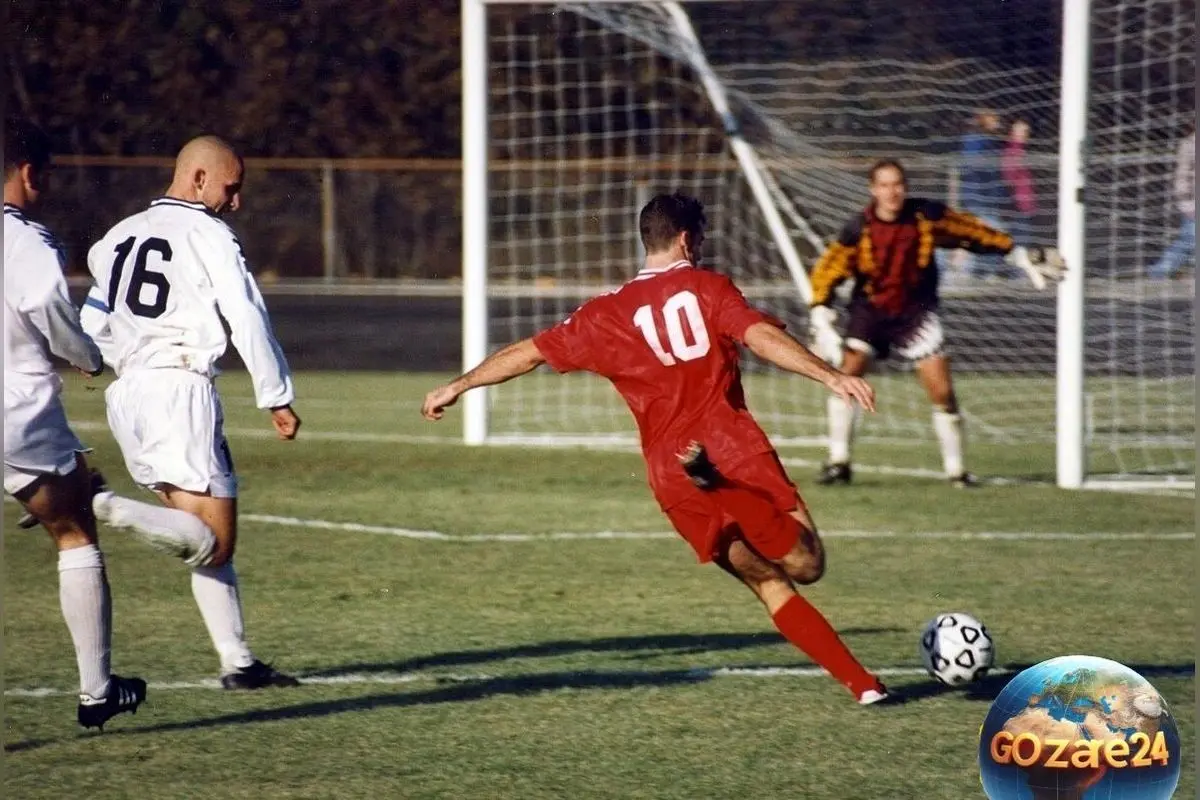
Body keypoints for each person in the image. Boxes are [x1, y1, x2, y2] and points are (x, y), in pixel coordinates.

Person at [423, 193, 890, 705]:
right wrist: (829, 374)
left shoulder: (604, 312)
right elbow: (758, 335)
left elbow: (527, 353)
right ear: (687, 239)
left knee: (769, 583)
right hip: (732, 449)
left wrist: (459, 385)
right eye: (701, 238)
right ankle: (726, 490)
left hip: (674, 474)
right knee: (807, 563)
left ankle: (864, 687)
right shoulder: (708, 287)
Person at [80, 135, 302, 690]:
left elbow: (92, 320)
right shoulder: (208, 233)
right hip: (179, 389)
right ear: (199, 178)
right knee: (214, 542)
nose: (236, 201)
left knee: (202, 540)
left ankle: (238, 662)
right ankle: (101, 503)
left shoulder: (117, 236)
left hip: (129, 395)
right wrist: (275, 393)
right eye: (231, 187)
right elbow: (246, 314)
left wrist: (94, 359)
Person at [4, 116, 154, 730]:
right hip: (16, 409)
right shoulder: (24, 239)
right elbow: (45, 302)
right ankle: (97, 693)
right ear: (30, 172)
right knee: (73, 530)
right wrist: (86, 355)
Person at [807, 159, 1065, 487]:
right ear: (873, 190)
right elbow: (830, 267)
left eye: (897, 184)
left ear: (905, 187)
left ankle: (957, 471)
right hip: (870, 312)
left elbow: (970, 231)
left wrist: (1016, 253)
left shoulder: (926, 217)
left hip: (915, 313)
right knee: (848, 374)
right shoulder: (858, 228)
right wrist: (820, 308)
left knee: (942, 391)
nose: (892, 192)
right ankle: (838, 461)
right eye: (884, 185)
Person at [958, 110, 1012, 279]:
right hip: (979, 198)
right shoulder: (975, 140)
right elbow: (973, 165)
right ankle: (976, 273)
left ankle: (980, 273)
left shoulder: (990, 142)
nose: (998, 123)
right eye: (994, 120)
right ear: (984, 121)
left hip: (989, 198)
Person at [1148, 124, 1195, 280]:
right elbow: (1182, 176)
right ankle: (1159, 271)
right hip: (1193, 202)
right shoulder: (1189, 144)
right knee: (1189, 240)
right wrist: (1186, 202)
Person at [1001, 119, 1037, 247]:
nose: (1025, 134)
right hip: (1019, 203)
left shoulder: (1020, 150)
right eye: (1022, 131)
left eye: (1026, 131)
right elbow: (1008, 177)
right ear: (1013, 132)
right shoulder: (1013, 151)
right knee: (1020, 242)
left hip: (1025, 202)